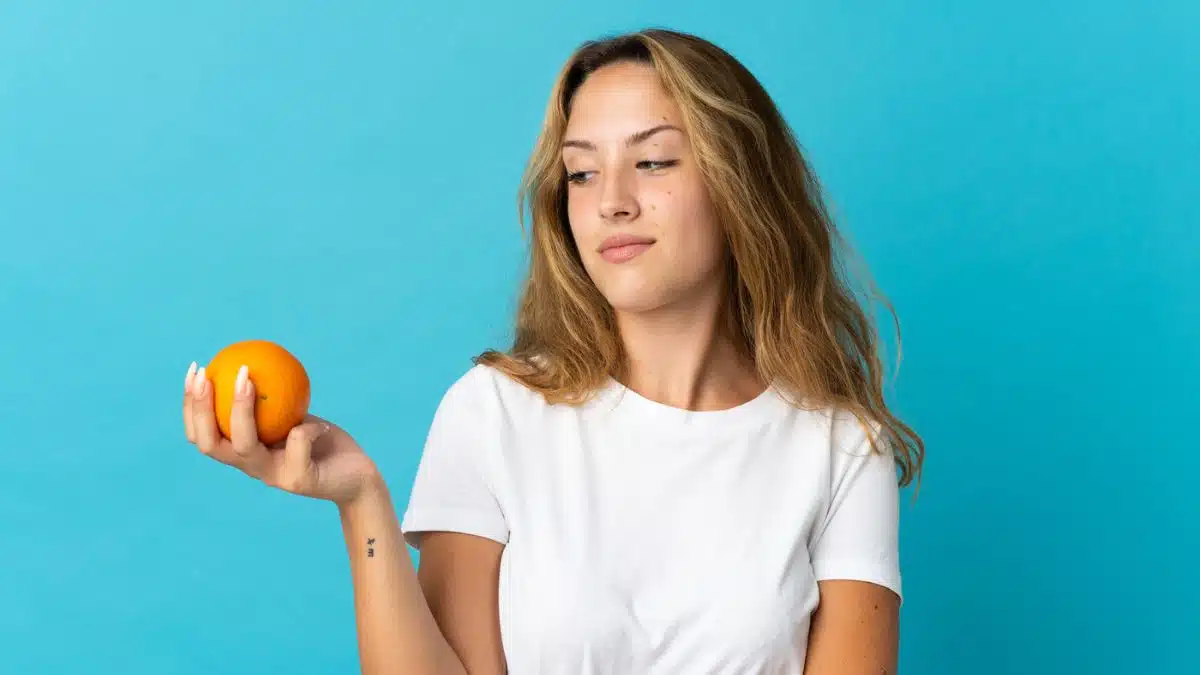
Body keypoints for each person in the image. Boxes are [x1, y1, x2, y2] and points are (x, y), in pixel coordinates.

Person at [181, 27, 924, 675]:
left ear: (741, 185)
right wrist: (360, 499)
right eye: (582, 171)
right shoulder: (494, 413)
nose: (612, 201)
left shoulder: (840, 447)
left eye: (656, 161)